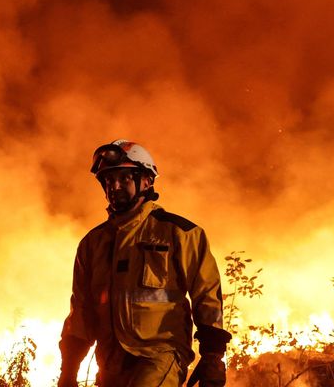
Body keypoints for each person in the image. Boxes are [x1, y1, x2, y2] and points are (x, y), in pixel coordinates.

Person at [59, 139, 232, 387]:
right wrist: (68, 370)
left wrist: (213, 356)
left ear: (146, 180)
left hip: (159, 355)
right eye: (108, 180)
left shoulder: (179, 233)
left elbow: (206, 294)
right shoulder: (92, 244)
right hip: (111, 363)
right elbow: (81, 312)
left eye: (124, 178)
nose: (114, 186)